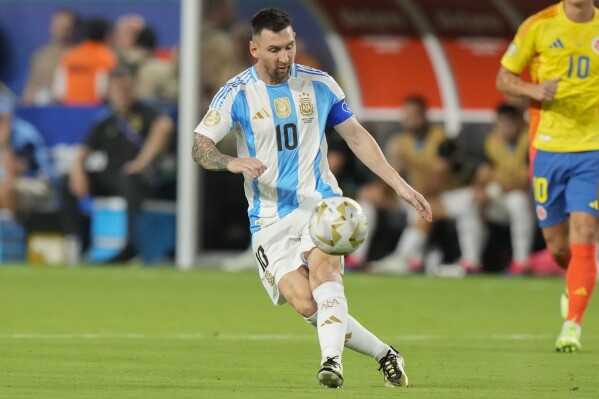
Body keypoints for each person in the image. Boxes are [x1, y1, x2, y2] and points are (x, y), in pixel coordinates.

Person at [192, 8, 432, 388]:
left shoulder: (320, 84)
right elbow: (200, 146)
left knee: (325, 273)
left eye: (290, 47)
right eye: (274, 49)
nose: (285, 57)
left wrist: (400, 186)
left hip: (322, 205)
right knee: (307, 304)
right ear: (254, 49)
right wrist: (230, 161)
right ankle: (386, 353)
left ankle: (331, 362)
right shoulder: (236, 93)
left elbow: (357, 137)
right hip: (268, 218)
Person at [496, 0, 599, 352]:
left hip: (593, 150)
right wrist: (533, 90)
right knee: (558, 247)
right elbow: (504, 78)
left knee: (585, 231)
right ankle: (575, 278)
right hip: (548, 150)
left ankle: (572, 325)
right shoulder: (537, 26)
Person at [60, 67, 173, 263]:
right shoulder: (105, 121)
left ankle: (130, 247)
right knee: (65, 181)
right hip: (111, 175)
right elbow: (83, 152)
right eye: (117, 89)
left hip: (140, 176)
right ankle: (77, 242)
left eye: (125, 89)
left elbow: (163, 127)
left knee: (130, 178)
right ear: (109, 92)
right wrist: (77, 170)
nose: (122, 93)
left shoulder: (146, 112)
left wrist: (141, 162)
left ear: (133, 89)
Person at [365, 96, 483, 275]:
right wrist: (383, 190)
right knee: (369, 196)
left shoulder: (443, 140)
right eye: (406, 116)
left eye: (415, 116)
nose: (410, 121)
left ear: (424, 116)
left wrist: (410, 189)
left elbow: (436, 181)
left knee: (428, 208)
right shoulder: (400, 142)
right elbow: (389, 177)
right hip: (417, 194)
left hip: (449, 194)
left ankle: (405, 258)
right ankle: (357, 257)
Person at [473, 103, 534, 275]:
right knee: (473, 201)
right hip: (500, 197)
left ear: (518, 124)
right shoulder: (492, 141)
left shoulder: (530, 139)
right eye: (500, 124)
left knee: (518, 201)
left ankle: (521, 262)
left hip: (529, 201)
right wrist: (480, 190)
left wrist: (497, 182)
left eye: (509, 124)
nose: (504, 129)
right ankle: (471, 261)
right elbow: (482, 174)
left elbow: (524, 182)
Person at [0, 82, 56, 217]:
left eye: (1, 118)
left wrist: (4, 143)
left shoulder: (24, 135)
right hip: (10, 183)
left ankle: (8, 234)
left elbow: (13, 173)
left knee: (6, 190)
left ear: (9, 117)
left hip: (40, 184)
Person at [54, 17, 117, 105]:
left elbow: (59, 91)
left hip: (69, 110)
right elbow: (103, 91)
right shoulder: (107, 57)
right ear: (106, 35)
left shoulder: (69, 56)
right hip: (96, 110)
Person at [21, 9, 77, 105]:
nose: (61, 32)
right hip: (43, 109)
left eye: (66, 28)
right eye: (58, 27)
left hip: (71, 108)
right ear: (52, 27)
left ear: (73, 30)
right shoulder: (41, 56)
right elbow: (30, 89)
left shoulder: (79, 55)